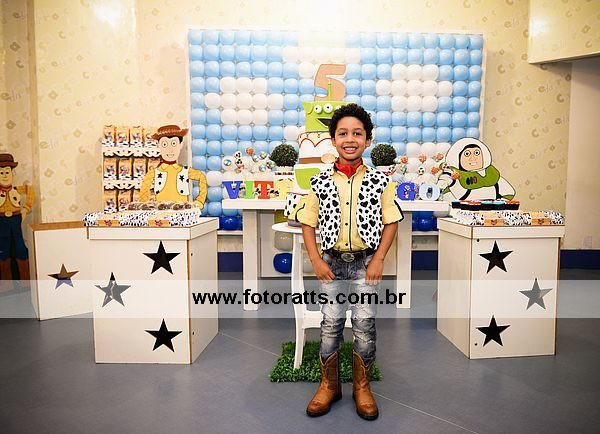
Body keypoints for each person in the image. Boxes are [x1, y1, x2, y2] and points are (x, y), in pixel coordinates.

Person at [295, 104, 404, 420]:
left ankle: (362, 386)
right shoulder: (319, 181)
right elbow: (307, 221)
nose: (350, 139)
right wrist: (316, 259)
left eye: (357, 133)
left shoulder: (381, 182)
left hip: (364, 265)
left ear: (368, 140)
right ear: (333, 140)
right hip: (331, 264)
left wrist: (378, 258)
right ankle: (329, 385)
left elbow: (391, 221)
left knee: (364, 325)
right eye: (343, 133)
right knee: (330, 324)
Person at [139, 124, 207, 207]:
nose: (170, 150)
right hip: (161, 212)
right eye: (164, 144)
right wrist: (145, 206)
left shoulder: (185, 171)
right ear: (158, 145)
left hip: (181, 212)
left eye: (174, 143)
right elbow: (143, 193)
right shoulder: (153, 173)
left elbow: (202, 177)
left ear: (180, 145)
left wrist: (200, 201)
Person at [439, 137, 515, 201]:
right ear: (458, 157)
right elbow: (441, 187)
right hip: (461, 212)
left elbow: (509, 193)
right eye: (467, 154)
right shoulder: (453, 173)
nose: (473, 158)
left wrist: (499, 205)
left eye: (477, 153)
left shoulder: (491, 173)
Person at [0, 153, 34, 288]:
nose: (4, 175)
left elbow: (30, 191)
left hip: (15, 221)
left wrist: (25, 208)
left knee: (20, 249)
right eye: (1, 172)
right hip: (1, 223)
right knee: (3, 251)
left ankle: (25, 283)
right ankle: (6, 285)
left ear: (12, 173)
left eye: (7, 172)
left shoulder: (16, 190)